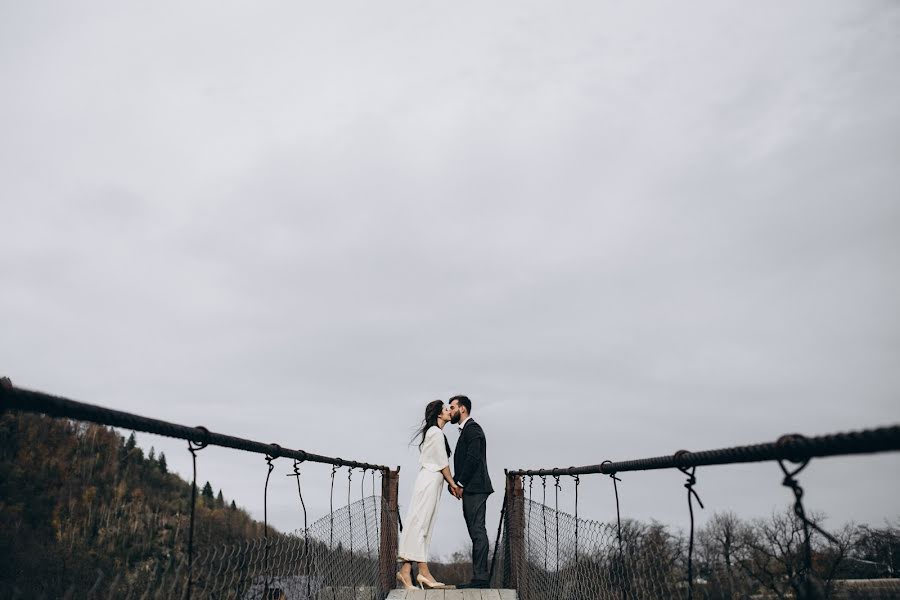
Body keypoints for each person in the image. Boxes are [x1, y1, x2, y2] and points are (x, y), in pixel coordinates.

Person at [396, 400, 462, 590]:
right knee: (421, 525)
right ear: (439, 414)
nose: (450, 411)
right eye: (446, 409)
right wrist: (454, 485)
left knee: (421, 524)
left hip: (430, 481)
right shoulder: (435, 433)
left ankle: (406, 572)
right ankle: (423, 572)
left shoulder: (434, 433)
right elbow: (443, 464)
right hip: (430, 481)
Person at [448, 394, 494, 589]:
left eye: (452, 407)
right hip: (472, 488)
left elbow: (473, 458)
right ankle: (479, 577)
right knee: (476, 531)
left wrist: (460, 483)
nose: (450, 411)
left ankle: (481, 579)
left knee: (477, 531)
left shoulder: (472, 429)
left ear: (463, 409)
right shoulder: (467, 430)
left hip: (475, 489)